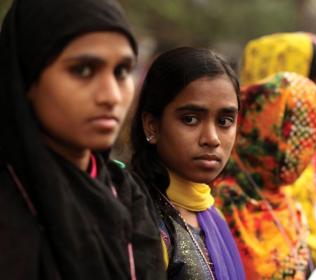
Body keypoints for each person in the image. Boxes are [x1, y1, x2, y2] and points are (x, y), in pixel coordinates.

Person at [0, 0, 165, 279]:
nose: (111, 95)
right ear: (27, 78)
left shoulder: (127, 195)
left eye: (122, 71)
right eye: (84, 70)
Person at [130, 47, 245, 280]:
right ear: (152, 125)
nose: (211, 138)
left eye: (224, 121)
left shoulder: (210, 213)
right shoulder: (140, 220)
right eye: (190, 119)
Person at [213, 72, 316, 279]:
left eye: (313, 143)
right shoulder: (218, 204)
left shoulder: (283, 199)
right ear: (267, 127)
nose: (304, 154)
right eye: (297, 139)